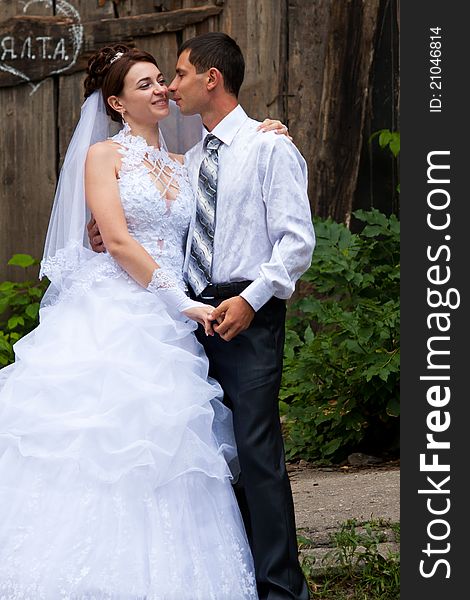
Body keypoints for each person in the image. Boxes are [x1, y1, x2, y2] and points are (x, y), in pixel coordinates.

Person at [0, 43, 287, 599]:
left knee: (175, 451)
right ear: (117, 102)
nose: (161, 89)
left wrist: (265, 133)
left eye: (163, 79)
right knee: (104, 443)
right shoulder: (103, 156)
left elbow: (220, 203)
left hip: (175, 323)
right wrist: (180, 301)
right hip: (118, 315)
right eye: (146, 84)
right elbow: (122, 239)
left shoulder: (192, 160)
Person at [91, 32, 315, 600]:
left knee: (258, 451)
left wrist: (250, 301)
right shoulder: (188, 162)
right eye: (155, 80)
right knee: (214, 452)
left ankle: (282, 591)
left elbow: (295, 243)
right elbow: (155, 224)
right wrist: (104, 234)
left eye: (179, 74)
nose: (169, 84)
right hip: (190, 315)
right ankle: (225, 571)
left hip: (246, 307)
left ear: (210, 78)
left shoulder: (268, 147)